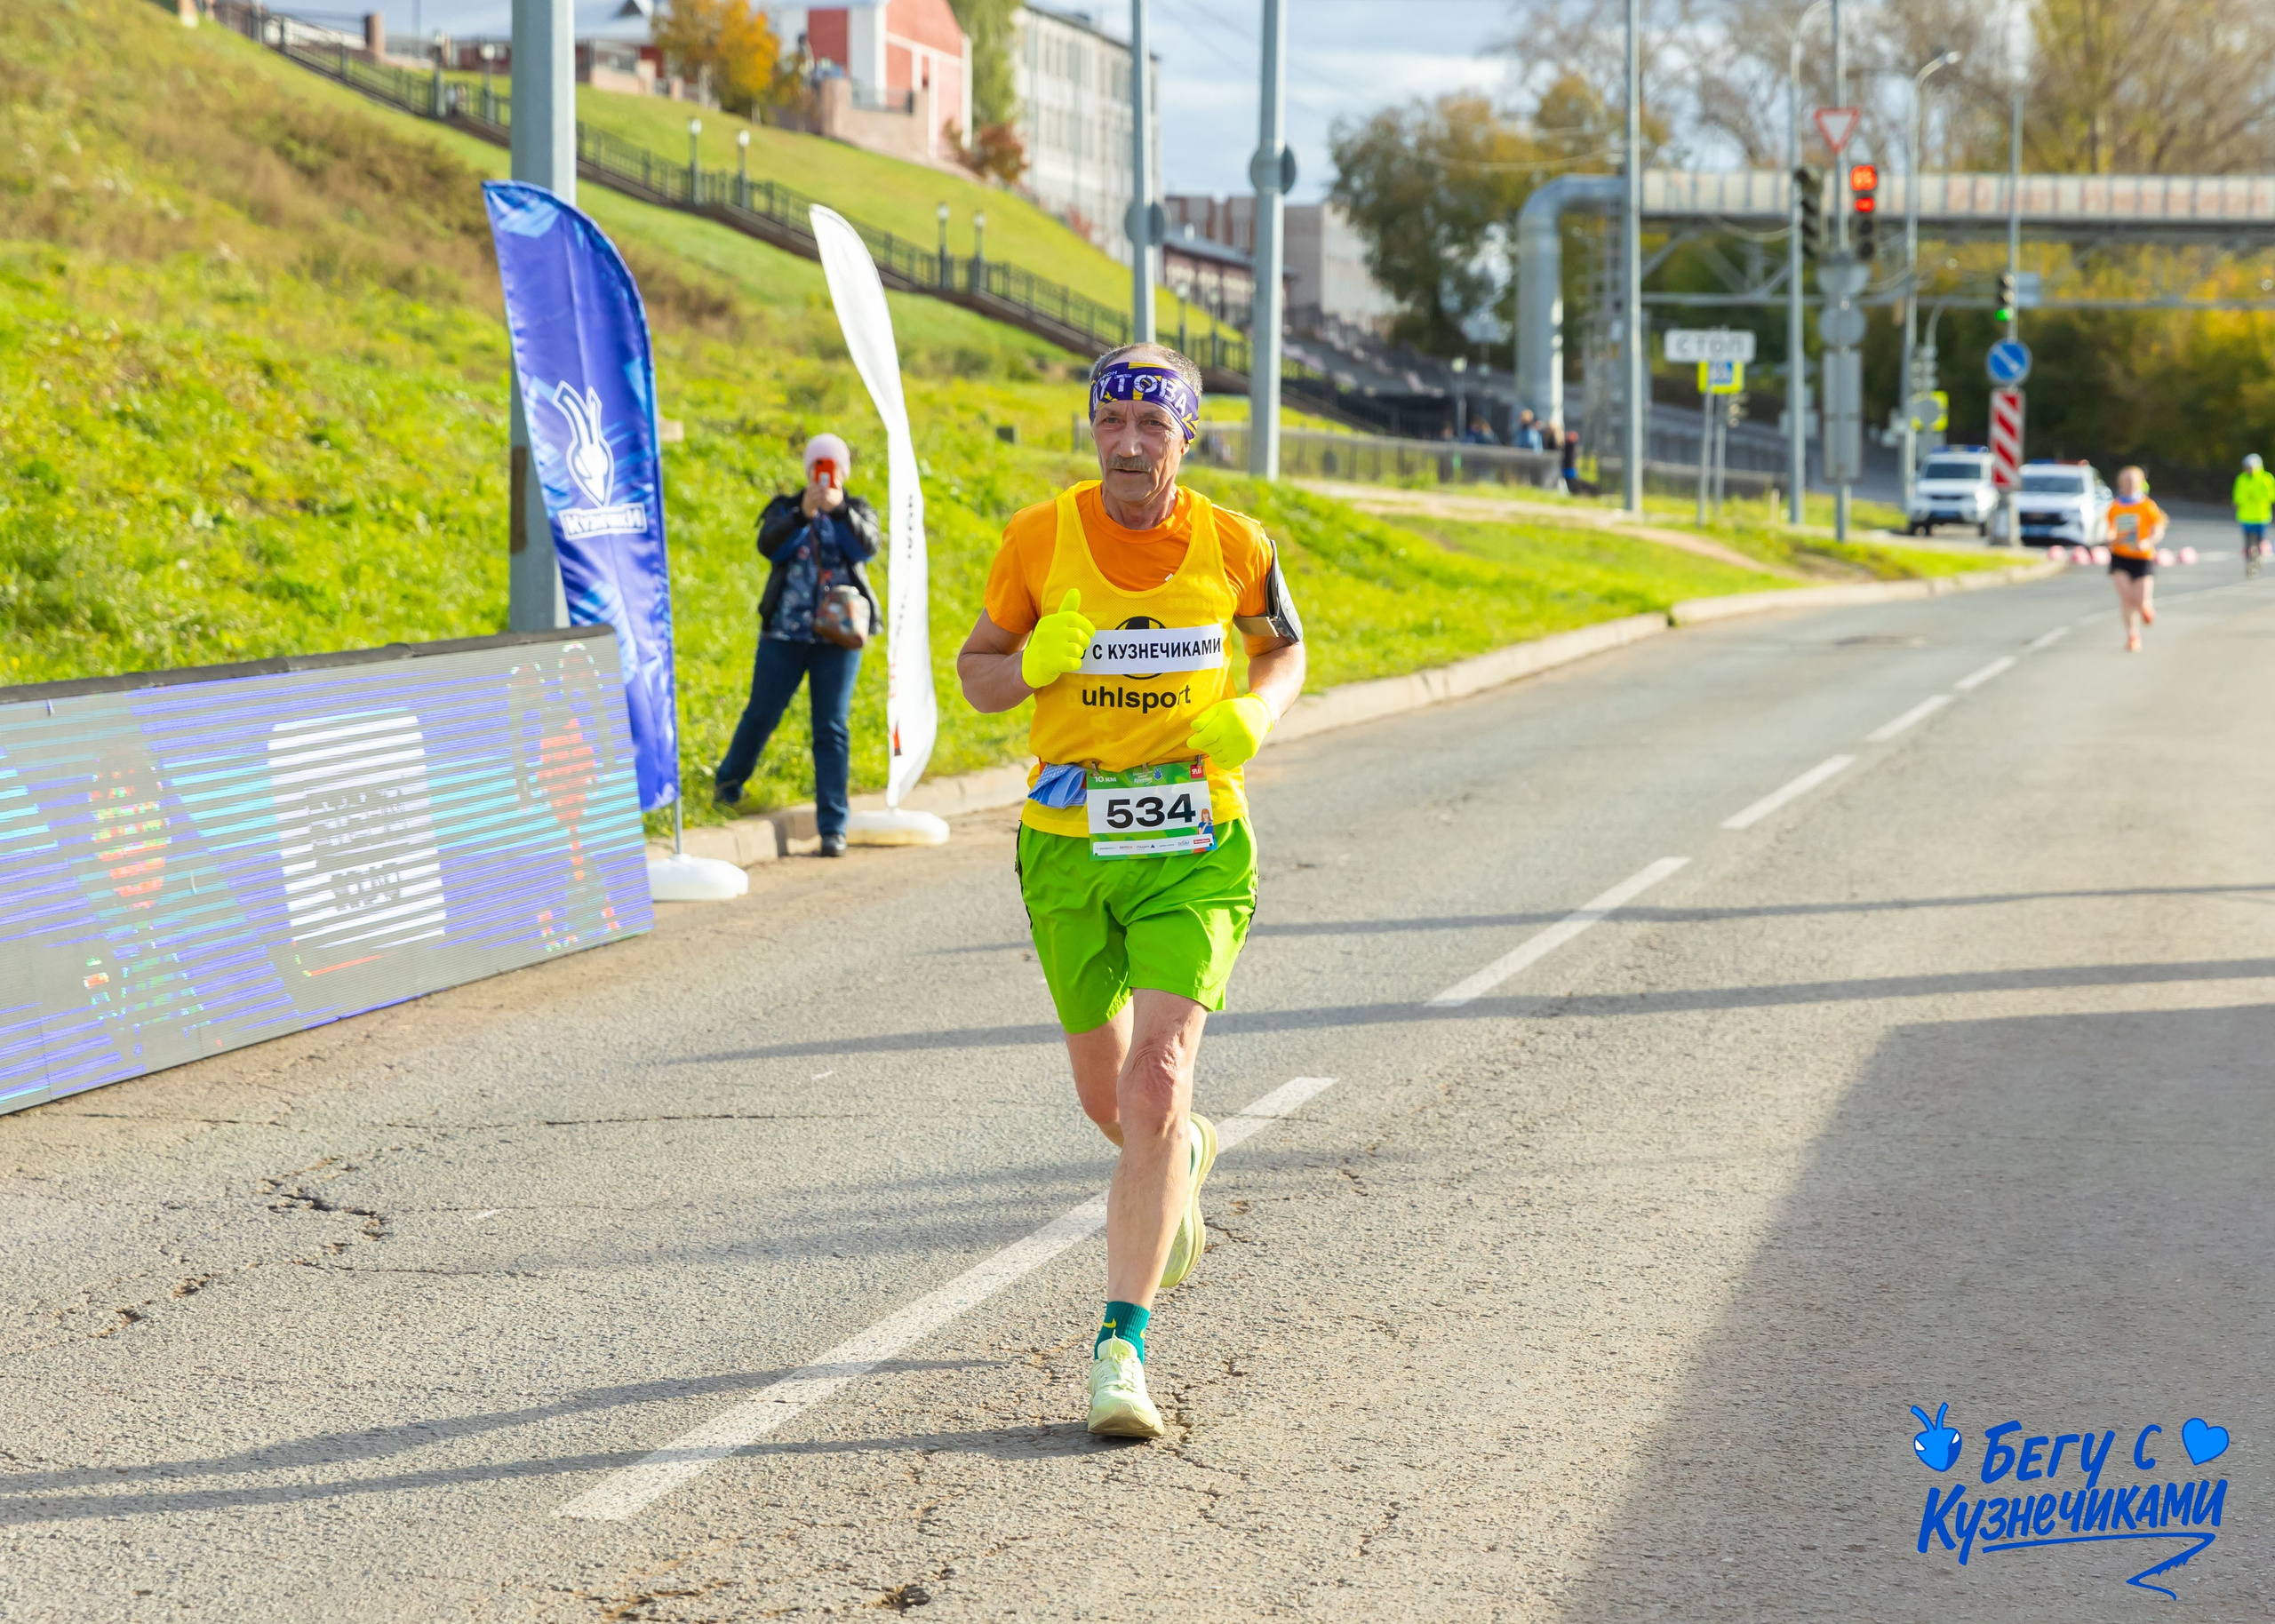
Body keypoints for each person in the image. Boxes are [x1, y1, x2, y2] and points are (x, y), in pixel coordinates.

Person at [956, 344, 1306, 1439]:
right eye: (1112, 421)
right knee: (1113, 1106)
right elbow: (976, 674)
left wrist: (1256, 711)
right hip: (1068, 837)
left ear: (1184, 438)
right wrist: (1032, 665)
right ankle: (1181, 1153)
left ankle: (1122, 1349)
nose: (1128, 442)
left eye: (1152, 425)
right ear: (1091, 429)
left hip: (1197, 835)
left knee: (1159, 1080)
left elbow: (1282, 649)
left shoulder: (1235, 543)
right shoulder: (1038, 539)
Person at [713, 433, 884, 856]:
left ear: (844, 470)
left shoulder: (858, 510)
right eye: (817, 465)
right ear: (807, 470)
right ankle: (727, 785)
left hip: (839, 638)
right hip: (784, 634)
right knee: (761, 713)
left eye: (832, 465)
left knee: (832, 729)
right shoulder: (787, 508)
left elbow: (865, 548)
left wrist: (839, 510)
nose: (824, 472)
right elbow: (770, 547)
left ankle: (832, 827)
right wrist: (803, 515)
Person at [2104, 465, 2167, 653]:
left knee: (2140, 600)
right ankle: (2132, 635)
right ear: (2120, 483)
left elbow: (2158, 530)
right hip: (2120, 556)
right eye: (2125, 481)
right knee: (2126, 599)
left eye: (2133, 481)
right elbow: (2110, 528)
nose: (2129, 484)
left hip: (2142, 558)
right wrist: (2109, 537)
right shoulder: (2114, 507)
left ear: (2141, 483)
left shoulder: (2147, 506)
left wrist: (2148, 542)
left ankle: (2145, 609)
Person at [2234, 453, 2273, 577]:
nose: (2249, 469)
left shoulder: (2266, 478)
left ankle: (2259, 558)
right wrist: (2237, 502)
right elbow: (2237, 494)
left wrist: (2256, 496)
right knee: (2248, 542)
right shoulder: (2241, 479)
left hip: (2261, 516)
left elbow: (2271, 495)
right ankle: (2250, 564)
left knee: (2259, 541)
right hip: (2246, 516)